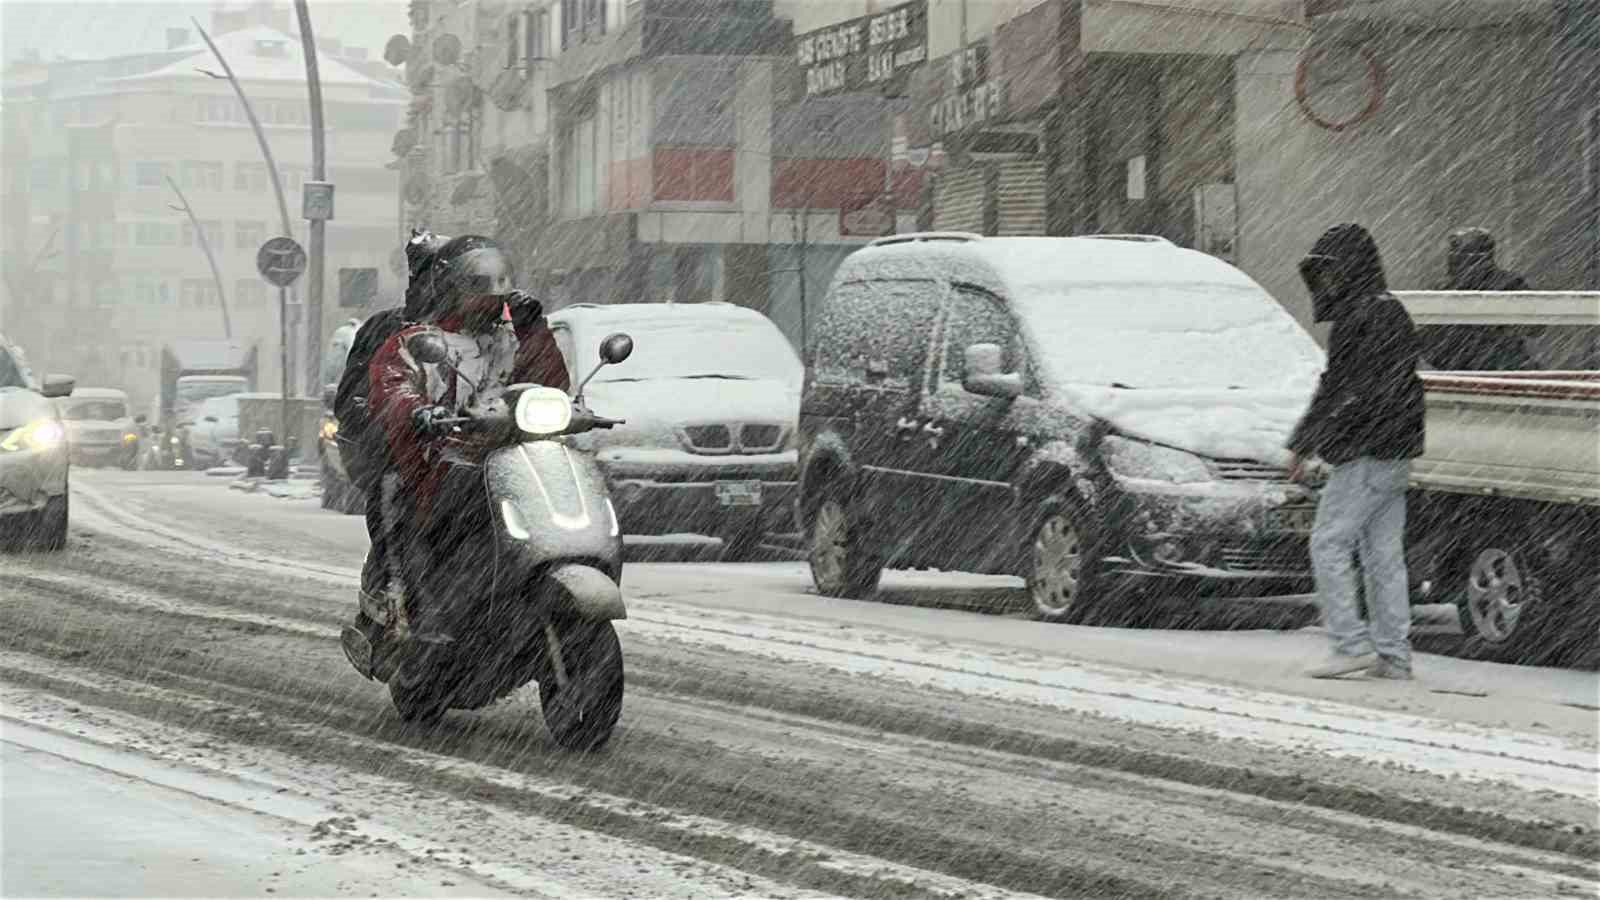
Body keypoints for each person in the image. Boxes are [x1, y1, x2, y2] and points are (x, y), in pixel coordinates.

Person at [366, 235, 570, 629]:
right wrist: (420, 410)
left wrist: (536, 331)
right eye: (478, 291)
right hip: (444, 466)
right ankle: (403, 610)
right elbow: (392, 385)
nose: (491, 301)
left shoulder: (515, 339)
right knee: (403, 507)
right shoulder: (419, 342)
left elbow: (553, 385)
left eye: (498, 292)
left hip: (520, 466)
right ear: (451, 290)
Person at [1287, 223, 1426, 681]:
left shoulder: (1359, 317)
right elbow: (1382, 387)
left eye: (1329, 273)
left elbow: (1345, 389)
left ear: (1349, 269)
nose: (1325, 284)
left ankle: (1349, 644)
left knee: (1328, 542)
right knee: (1383, 554)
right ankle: (1393, 654)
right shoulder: (1391, 311)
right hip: (1395, 452)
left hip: (1366, 452)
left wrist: (1314, 443)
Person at [336, 227, 449, 646]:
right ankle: (391, 600)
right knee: (395, 498)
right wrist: (392, 418)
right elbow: (352, 398)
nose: (443, 287)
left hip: (473, 458)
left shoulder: (490, 333)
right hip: (403, 457)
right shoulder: (386, 329)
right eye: (433, 275)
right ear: (417, 278)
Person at [1417, 227, 1540, 371]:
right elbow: (1536, 326)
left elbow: (1535, 327)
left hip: (1467, 369)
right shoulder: (1509, 282)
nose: (1452, 257)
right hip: (1488, 369)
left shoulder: (1444, 289)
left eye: (1456, 252)